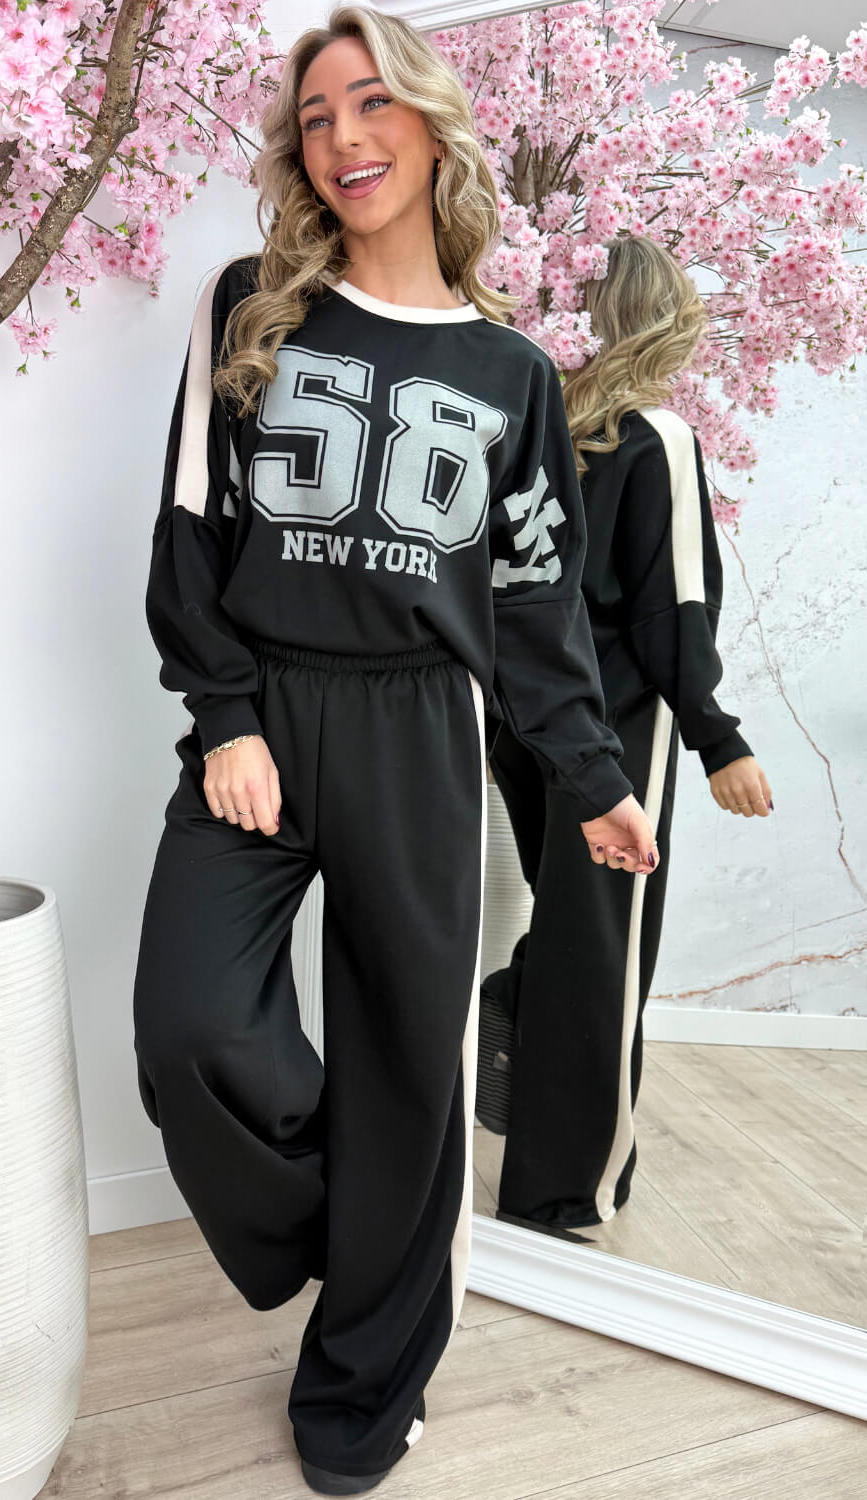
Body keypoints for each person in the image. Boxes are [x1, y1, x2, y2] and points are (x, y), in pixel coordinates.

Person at [131, 10, 660, 1493]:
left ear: (432, 129)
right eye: (315, 117)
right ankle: (355, 1219)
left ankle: (363, 1392)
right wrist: (226, 716)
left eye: (372, 105)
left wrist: (592, 776)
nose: (344, 138)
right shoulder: (253, 308)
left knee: (410, 1077)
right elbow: (189, 527)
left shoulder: (514, 373)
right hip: (268, 711)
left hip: (424, 729)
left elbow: (536, 604)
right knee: (194, 1033)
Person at [477, 235, 773, 1235]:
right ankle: (564, 1190)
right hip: (612, 729)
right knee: (603, 952)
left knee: (572, 930)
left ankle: (522, 994)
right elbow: (671, 607)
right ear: (659, 318)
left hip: (519, 722)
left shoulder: (530, 435)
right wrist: (717, 737)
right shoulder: (657, 437)